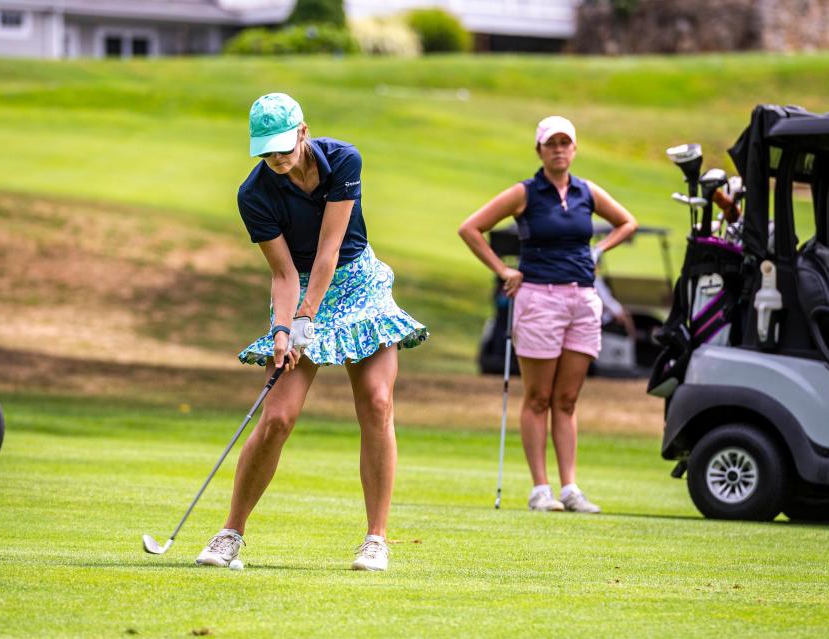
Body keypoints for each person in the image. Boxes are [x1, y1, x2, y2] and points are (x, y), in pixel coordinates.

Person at [196, 93, 428, 572]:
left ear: (303, 131)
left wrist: (307, 317)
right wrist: (284, 331)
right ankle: (229, 533)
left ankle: (376, 539)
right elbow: (283, 274)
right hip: (299, 289)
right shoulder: (253, 194)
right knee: (278, 417)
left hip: (358, 284)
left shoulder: (343, 159)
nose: (277, 159)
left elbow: (330, 250)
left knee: (378, 403)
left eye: (283, 147)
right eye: (266, 151)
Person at [458, 116, 638, 513]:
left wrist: (600, 249)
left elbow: (627, 222)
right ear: (539, 150)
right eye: (551, 143)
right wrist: (503, 270)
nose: (559, 149)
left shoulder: (586, 192)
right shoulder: (525, 193)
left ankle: (570, 487)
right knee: (539, 397)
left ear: (574, 149)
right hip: (538, 299)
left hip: (582, 299)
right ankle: (541, 489)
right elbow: (471, 228)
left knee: (568, 398)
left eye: (565, 143)